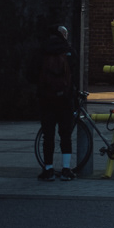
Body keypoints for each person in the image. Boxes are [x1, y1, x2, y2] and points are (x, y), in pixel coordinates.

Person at [29, 25, 76, 180]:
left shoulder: (41, 52)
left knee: (48, 135)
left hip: (46, 99)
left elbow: (32, 74)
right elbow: (75, 74)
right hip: (65, 99)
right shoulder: (69, 52)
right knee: (65, 134)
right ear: (64, 35)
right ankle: (66, 169)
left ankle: (48, 169)